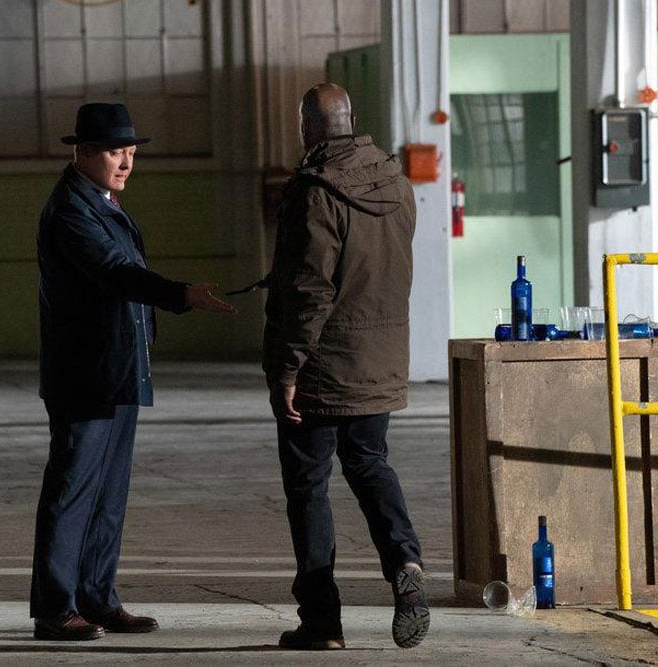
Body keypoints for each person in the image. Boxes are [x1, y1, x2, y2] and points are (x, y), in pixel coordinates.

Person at [31, 102, 236, 641]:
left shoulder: (103, 202)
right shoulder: (72, 211)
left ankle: (98, 598)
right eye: (115, 153)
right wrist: (180, 296)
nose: (126, 162)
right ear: (83, 153)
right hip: (86, 374)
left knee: (109, 493)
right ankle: (55, 608)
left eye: (129, 153)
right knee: (74, 490)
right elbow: (116, 273)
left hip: (119, 369)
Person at [262, 83, 429, 650]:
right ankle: (405, 561)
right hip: (378, 361)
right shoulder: (397, 184)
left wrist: (287, 368)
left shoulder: (316, 193)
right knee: (370, 463)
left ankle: (322, 622)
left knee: (309, 487)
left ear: (309, 126)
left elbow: (310, 292)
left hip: (323, 368)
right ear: (351, 121)